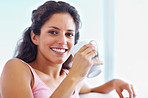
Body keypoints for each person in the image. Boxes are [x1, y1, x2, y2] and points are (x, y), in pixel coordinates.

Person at [0, 1, 136, 98]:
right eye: (53, 32)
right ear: (35, 37)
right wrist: (75, 75)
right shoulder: (17, 68)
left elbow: (90, 89)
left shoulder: (67, 75)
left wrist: (114, 83)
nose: (62, 41)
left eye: (69, 34)